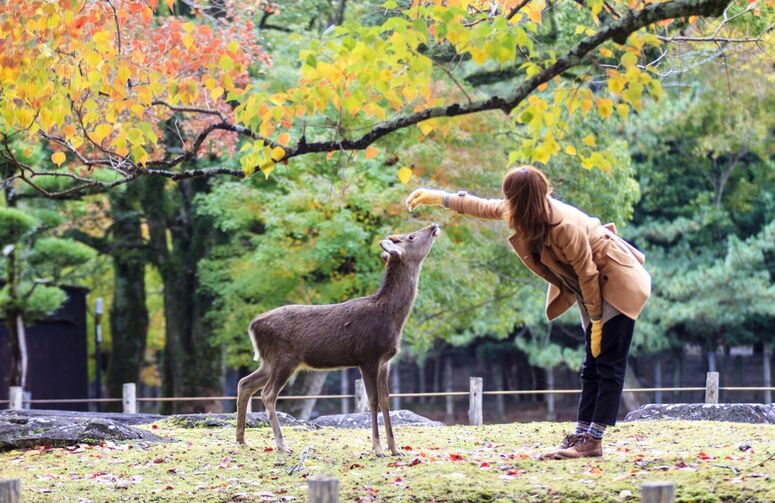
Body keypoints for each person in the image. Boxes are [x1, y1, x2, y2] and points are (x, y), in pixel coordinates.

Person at [405, 165, 651, 459]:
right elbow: (483, 206)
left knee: (608, 363)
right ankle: (581, 434)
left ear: (520, 197)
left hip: (616, 282)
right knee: (591, 365)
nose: (505, 201)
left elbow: (588, 274)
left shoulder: (564, 226)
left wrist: (597, 321)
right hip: (593, 287)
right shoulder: (524, 211)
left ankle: (593, 440)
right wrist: (438, 197)